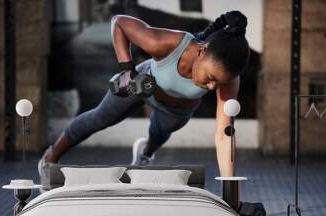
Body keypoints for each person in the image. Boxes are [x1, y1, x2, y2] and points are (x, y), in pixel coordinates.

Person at [38, 10, 250, 177]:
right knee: (99, 118)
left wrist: (229, 187)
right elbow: (119, 22)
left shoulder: (228, 79)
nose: (212, 87)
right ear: (202, 51)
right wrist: (127, 70)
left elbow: (224, 135)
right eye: (211, 78)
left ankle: (144, 155)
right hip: (141, 85)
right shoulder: (168, 43)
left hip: (175, 111)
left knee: (158, 136)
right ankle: (50, 157)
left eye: (218, 82)